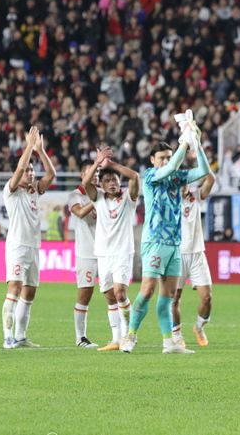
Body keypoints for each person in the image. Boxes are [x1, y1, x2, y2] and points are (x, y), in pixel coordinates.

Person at [121, 114, 210, 354]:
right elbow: (170, 168)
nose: (166, 161)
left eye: (168, 157)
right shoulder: (151, 176)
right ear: (152, 160)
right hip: (154, 242)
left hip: (174, 243)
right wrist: (184, 142)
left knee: (168, 296)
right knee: (147, 290)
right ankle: (130, 336)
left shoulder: (177, 177)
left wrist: (196, 144)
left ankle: (168, 342)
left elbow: (203, 171)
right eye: (161, 157)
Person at [1, 127, 56, 349]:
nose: (31, 173)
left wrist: (40, 151)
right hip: (17, 247)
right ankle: (7, 336)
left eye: (33, 171)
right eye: (28, 171)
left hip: (34, 247)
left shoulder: (34, 190)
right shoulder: (11, 190)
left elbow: (51, 174)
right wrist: (28, 148)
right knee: (14, 288)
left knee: (30, 291)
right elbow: (20, 167)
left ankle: (21, 337)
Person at [82, 146, 140, 351]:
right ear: (102, 185)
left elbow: (134, 176)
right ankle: (116, 339)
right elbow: (85, 183)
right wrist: (97, 163)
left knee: (120, 293)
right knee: (109, 295)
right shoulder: (97, 199)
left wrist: (111, 165)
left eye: (115, 180)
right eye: (108, 181)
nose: (113, 183)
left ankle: (130, 334)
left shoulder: (128, 200)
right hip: (103, 254)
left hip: (123, 252)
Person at [68, 159, 121, 350]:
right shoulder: (76, 196)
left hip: (106, 253)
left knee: (113, 294)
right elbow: (81, 213)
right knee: (85, 295)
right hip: (86, 253)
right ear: (83, 175)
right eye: (91, 172)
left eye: (98, 172)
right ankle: (80, 338)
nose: (96, 176)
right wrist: (96, 200)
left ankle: (118, 337)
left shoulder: (105, 194)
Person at [171, 171, 216, 348]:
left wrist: (197, 150)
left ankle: (199, 327)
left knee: (207, 298)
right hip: (176, 254)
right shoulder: (168, 200)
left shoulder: (196, 196)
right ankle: (176, 335)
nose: (184, 185)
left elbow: (211, 179)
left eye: (186, 182)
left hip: (197, 253)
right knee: (174, 299)